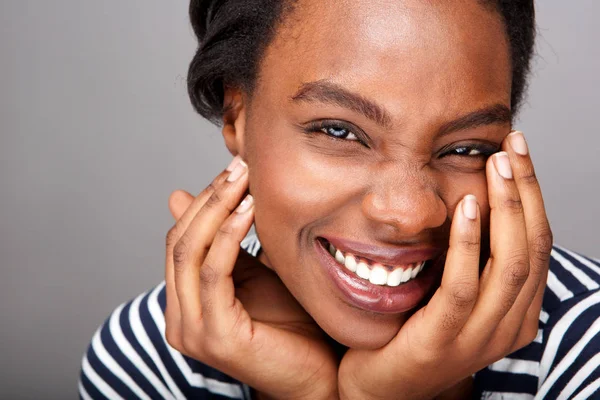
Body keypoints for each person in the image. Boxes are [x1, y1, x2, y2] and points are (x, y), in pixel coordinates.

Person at [78, 0, 600, 398]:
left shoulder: (585, 346)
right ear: (236, 115)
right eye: (339, 131)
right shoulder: (150, 357)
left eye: (465, 148)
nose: (409, 213)